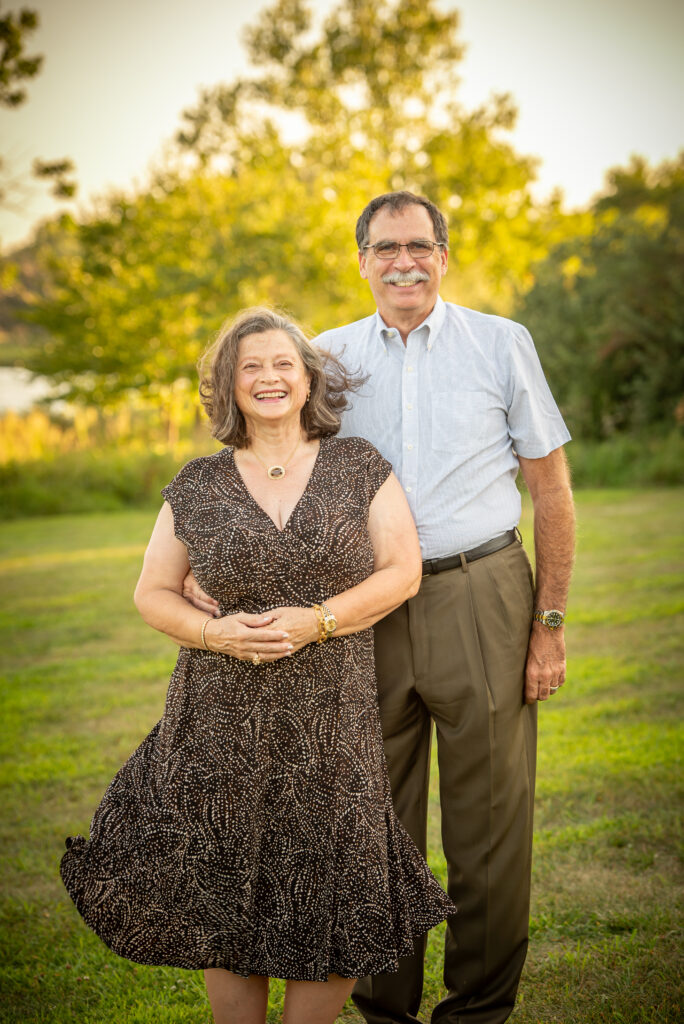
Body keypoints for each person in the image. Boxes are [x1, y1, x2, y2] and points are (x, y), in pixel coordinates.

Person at [186, 192, 575, 1023]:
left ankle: (477, 1011)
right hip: (356, 611)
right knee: (367, 820)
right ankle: (383, 1009)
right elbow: (266, 461)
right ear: (360, 259)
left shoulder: (502, 344)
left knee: (491, 824)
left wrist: (548, 625)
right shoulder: (323, 358)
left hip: (482, 594)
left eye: (421, 245)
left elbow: (551, 491)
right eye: (387, 247)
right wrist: (205, 566)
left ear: (444, 253)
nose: (405, 261)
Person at [59, 307, 456, 1024]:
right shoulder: (199, 484)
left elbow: (402, 571)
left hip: (330, 717)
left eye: (283, 365)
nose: (269, 378)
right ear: (229, 387)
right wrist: (218, 636)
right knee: (224, 891)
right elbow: (151, 592)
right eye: (251, 368)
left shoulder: (358, 466)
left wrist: (319, 620)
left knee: (333, 882)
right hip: (217, 719)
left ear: (308, 380)